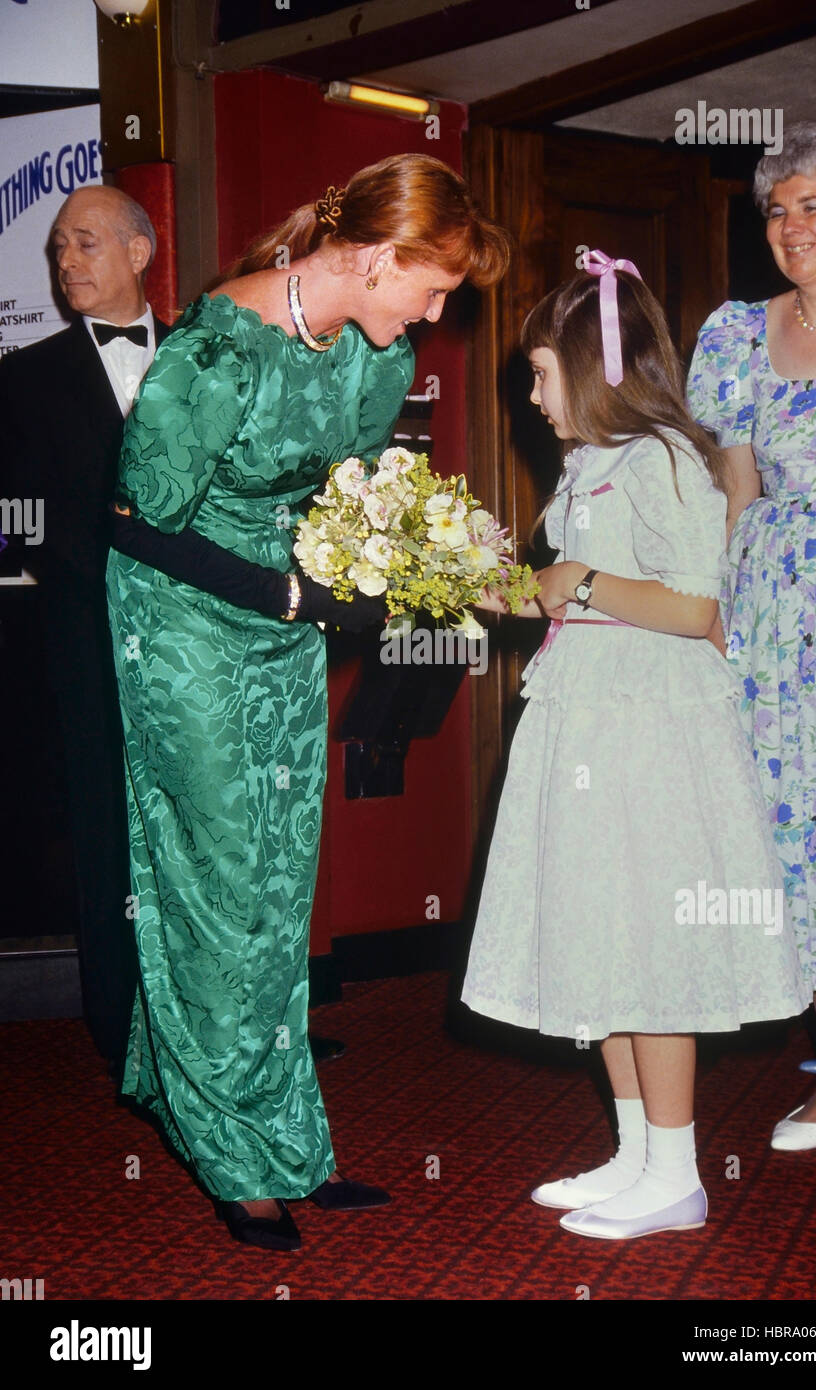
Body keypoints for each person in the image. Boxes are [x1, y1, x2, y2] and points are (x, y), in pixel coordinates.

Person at [104, 154, 511, 1251]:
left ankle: (278, 1132)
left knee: (278, 873)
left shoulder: (379, 360)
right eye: (430, 288)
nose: (435, 314)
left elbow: (356, 494)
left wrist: (425, 563)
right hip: (182, 616)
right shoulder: (215, 351)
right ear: (375, 256)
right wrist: (290, 590)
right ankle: (231, 1149)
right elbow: (138, 522)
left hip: (288, 622)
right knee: (218, 867)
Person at [465, 255, 810, 1241]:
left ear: (596, 366)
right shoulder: (585, 464)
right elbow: (568, 588)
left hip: (652, 729)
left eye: (539, 373)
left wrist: (573, 583)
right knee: (604, 937)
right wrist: (498, 583)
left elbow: (696, 605)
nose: (531, 396)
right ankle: (635, 1154)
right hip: (588, 715)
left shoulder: (663, 454)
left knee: (651, 950)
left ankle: (680, 1171)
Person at [687, 120, 816, 1152]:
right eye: (776, 209)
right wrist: (714, 611)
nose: (792, 226)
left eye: (813, 206)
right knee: (805, 833)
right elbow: (737, 489)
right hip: (781, 616)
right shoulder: (736, 334)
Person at [0, 186, 169, 1071]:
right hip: (82, 643)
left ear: (141, 252)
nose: (67, 265)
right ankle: (121, 1030)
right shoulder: (22, 377)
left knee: (205, 832)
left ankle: (221, 1033)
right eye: (59, 249)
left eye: (86, 244)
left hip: (198, 642)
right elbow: (12, 511)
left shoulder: (205, 362)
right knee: (107, 832)